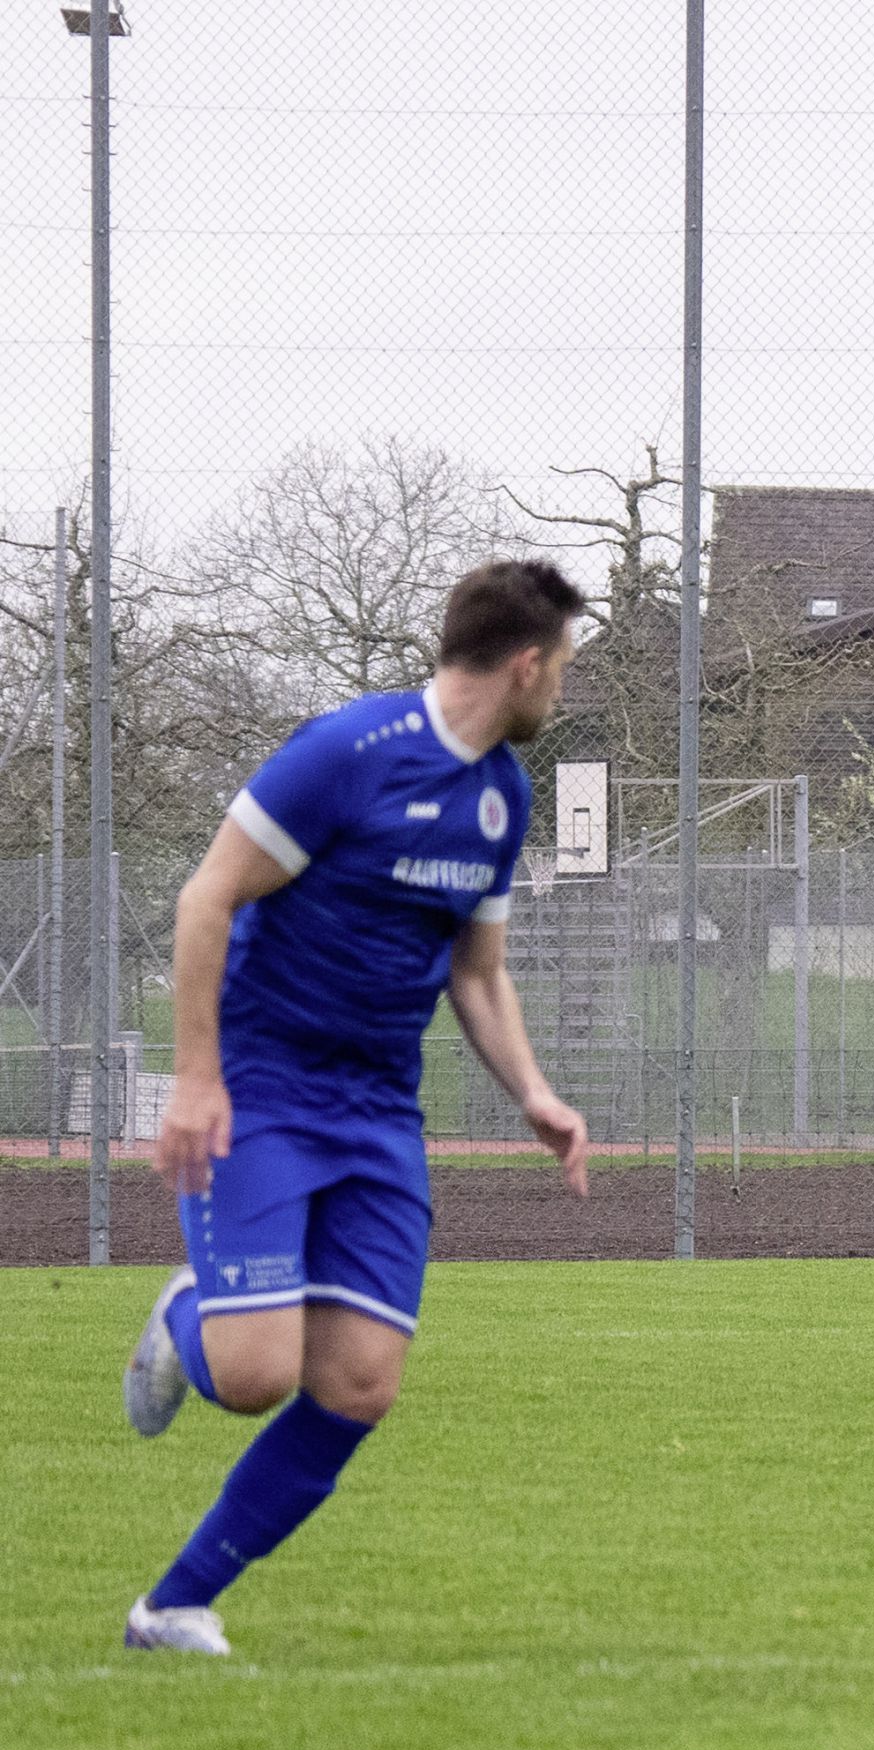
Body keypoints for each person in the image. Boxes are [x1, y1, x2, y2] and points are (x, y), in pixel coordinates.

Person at [118, 560, 592, 1656]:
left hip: (379, 1111)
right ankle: (188, 1316)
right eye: (561, 667)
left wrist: (533, 1090)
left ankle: (172, 1605)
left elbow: (476, 972)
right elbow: (206, 897)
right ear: (525, 662)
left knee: (360, 1382)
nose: (559, 688)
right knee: (253, 1375)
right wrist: (197, 1079)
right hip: (266, 1090)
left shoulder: (502, 795)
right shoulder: (346, 753)